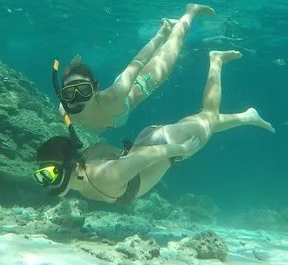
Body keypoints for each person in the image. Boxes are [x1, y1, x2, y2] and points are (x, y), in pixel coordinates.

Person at [35, 50, 275, 204]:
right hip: (151, 143)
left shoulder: (104, 176)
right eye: (42, 176)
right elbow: (114, 152)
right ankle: (247, 116)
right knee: (203, 124)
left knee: (208, 117)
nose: (47, 182)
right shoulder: (83, 173)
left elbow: (149, 155)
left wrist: (181, 149)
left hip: (165, 145)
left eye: (50, 173)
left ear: (69, 165)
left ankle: (216, 61)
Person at [57, 3, 215, 131]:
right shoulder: (65, 110)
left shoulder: (114, 96)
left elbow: (138, 61)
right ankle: (169, 27)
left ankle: (190, 12)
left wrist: (159, 36)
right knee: (167, 50)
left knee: (174, 45)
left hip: (146, 81)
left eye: (84, 90)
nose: (77, 98)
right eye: (69, 93)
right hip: (129, 87)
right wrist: (73, 69)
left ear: (96, 88)